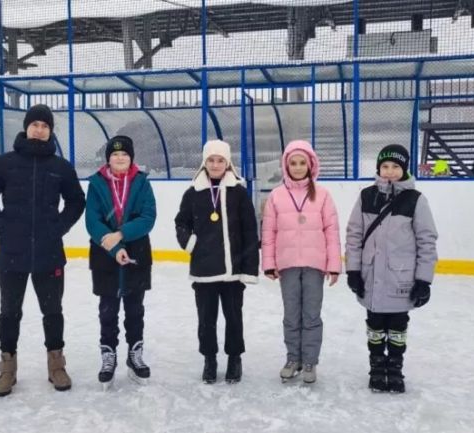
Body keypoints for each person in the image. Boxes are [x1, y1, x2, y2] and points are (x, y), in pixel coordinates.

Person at [0, 104, 86, 397]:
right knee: (9, 312)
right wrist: (1, 225)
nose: (39, 129)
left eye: (45, 126)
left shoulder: (61, 167)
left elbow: (76, 201)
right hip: (11, 253)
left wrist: (58, 227)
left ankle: (56, 365)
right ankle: (7, 369)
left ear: (50, 131)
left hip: (49, 254)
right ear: (26, 128)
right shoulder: (4, 163)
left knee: (53, 311)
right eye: (34, 124)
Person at [345, 144, 438, 393]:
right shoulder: (367, 196)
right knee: (374, 324)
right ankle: (376, 368)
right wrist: (353, 270)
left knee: (397, 326)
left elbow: (426, 241)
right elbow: (354, 235)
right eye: (385, 166)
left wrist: (423, 280)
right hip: (371, 277)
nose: (389, 172)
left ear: (404, 169)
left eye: (395, 167)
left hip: (401, 279)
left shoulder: (415, 200)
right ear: (378, 168)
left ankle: (395, 369)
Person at [174, 139, 259, 384]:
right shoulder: (193, 193)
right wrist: (190, 243)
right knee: (206, 320)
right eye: (211, 160)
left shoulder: (239, 192)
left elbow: (249, 231)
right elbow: (181, 223)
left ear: (228, 163)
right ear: (204, 162)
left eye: (220, 160)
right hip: (204, 271)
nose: (215, 164)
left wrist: (249, 269)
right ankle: (209, 359)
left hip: (233, 271)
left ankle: (234, 358)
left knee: (234, 317)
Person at [261, 140, 341, 384]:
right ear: (286, 166)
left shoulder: (323, 195)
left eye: (302, 162)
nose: (297, 167)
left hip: (315, 265)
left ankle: (309, 362)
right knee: (291, 315)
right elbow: (269, 232)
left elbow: (332, 231)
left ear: (310, 164)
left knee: (311, 315)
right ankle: (293, 358)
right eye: (293, 163)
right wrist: (269, 263)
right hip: (288, 265)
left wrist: (334, 265)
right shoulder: (276, 196)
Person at [85, 135, 156, 389]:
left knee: (135, 310)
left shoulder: (141, 182)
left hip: (137, 255)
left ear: (131, 157)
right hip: (105, 256)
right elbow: (92, 221)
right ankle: (109, 356)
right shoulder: (96, 184)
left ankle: (135, 356)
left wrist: (122, 234)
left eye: (124, 154)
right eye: (115, 155)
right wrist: (114, 246)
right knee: (108, 311)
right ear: (108, 159)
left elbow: (148, 217)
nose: (119, 158)